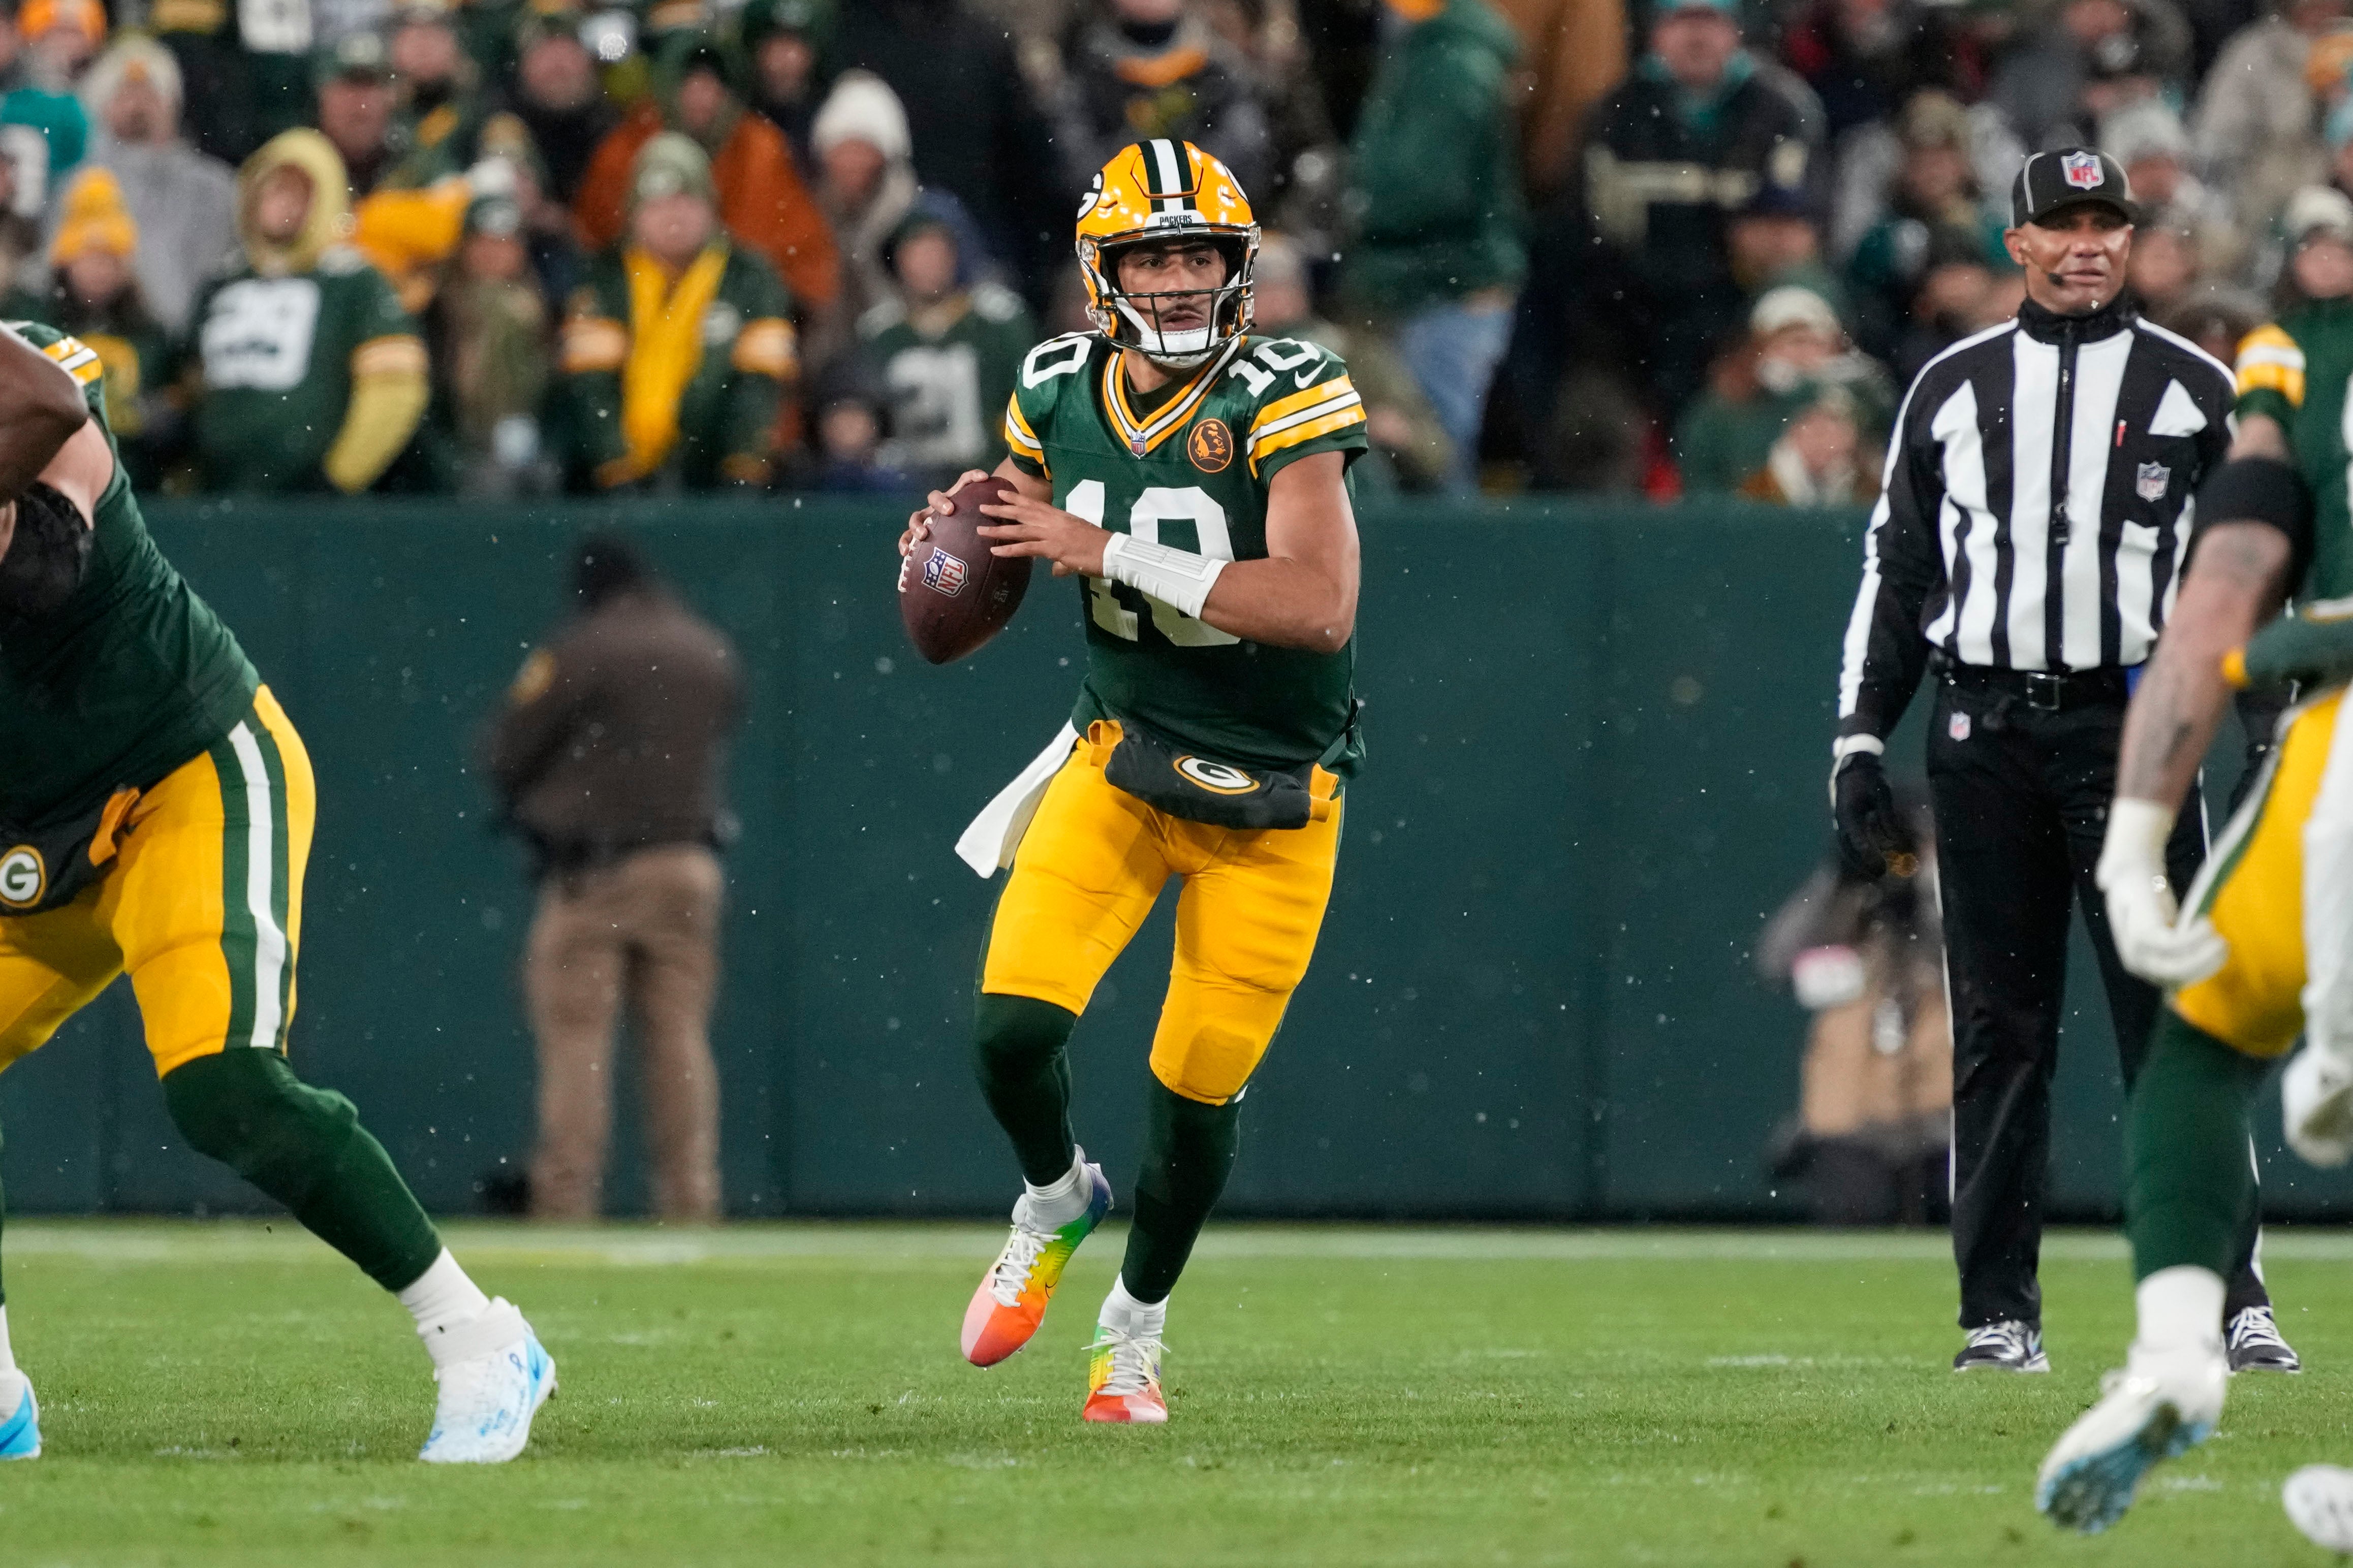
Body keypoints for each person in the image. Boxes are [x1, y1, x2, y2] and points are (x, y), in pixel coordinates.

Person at [0, 318, 551, 1462]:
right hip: (24, 829)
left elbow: (51, 472)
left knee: (223, 1086)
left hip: (179, 772)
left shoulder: (37, 390)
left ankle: (479, 1338)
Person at [898, 138, 1367, 1424]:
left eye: (1195, 256)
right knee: (1009, 1032)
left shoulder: (1292, 388)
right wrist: (961, 530)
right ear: (1103, 274)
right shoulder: (1054, 380)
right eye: (1149, 257)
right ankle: (1054, 1198)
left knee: (1193, 1105)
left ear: (1238, 265)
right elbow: (1015, 513)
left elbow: (1319, 609)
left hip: (1276, 798)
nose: (1171, 281)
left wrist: (1099, 548)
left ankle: (1133, 1330)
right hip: (1124, 757)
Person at [1830, 149, 2294, 1375]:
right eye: (2061, 224)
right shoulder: (1948, 385)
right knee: (1999, 1030)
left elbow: (2252, 569)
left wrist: (2260, 712)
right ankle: (1998, 1314)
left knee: (2177, 1025)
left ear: (2132, 242)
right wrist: (1858, 733)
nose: (2086, 244)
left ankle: (2229, 1296)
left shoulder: (2197, 388)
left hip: (2136, 729)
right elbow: (1898, 570)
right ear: (2016, 242)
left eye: (2107, 224)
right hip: (1982, 732)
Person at [2033, 157, 2353, 1539]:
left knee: (2200, 1043)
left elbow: (2213, 601)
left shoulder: (2300, 357)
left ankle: (2175, 1352)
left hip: (2335, 758)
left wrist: (2138, 832)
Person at [482, 533, 741, 1223]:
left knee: (577, 1042)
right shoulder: (705, 646)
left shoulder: (584, 647)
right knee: (679, 1038)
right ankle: (690, 1195)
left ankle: (566, 1196)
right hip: (689, 864)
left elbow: (509, 745)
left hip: (596, 871)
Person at [1575, 0, 1823, 423]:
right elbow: (1589, 237)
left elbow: (1799, 235)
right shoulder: (1616, 114)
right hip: (1636, 312)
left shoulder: (1781, 109)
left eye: (1710, 20)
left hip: (1744, 307)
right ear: (1655, 33)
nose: (1697, 37)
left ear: (1736, 31)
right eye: (1681, 20)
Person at [1339, 0, 1525, 495]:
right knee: (1418, 447)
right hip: (1426, 280)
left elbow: (1425, 187)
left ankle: (1455, 569)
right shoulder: (1427, 51)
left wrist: (1350, 204)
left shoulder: (1450, 59)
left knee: (1435, 451)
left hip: (1447, 284)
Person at [184, 129, 430, 494]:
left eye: (300, 193)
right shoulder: (222, 283)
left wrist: (339, 476)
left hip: (309, 506)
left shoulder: (355, 282)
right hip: (221, 495)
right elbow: (188, 384)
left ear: (325, 199)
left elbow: (396, 388)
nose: (285, 205)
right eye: (274, 189)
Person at [554, 132, 797, 490]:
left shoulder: (749, 278)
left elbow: (760, 384)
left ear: (711, 208)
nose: (674, 217)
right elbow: (591, 387)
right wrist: (616, 469)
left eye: (687, 202)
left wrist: (742, 470)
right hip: (613, 483)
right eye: (658, 204)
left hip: (717, 477)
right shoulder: (604, 280)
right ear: (634, 214)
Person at [573, 38, 839, 318]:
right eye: (689, 85)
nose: (701, 97)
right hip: (639, 303)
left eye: (713, 86)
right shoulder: (627, 148)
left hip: (742, 308)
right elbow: (594, 240)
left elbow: (805, 257)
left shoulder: (761, 150)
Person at [859, 200, 1034, 490]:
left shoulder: (999, 322)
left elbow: (1031, 407)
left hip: (987, 476)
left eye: (937, 250)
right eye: (916, 251)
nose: (928, 262)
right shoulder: (879, 332)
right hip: (902, 486)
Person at [72, 37, 239, 337]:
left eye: (151, 92)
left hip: (190, 348)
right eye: (124, 93)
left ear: (173, 103)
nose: (138, 104)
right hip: (105, 345)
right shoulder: (78, 185)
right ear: (101, 105)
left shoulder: (215, 187)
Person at [1053, 0, 1273, 202]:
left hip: (1213, 212)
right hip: (1122, 221)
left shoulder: (1216, 63)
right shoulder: (1088, 69)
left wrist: (1189, 176)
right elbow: (1075, 164)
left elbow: (1248, 149)